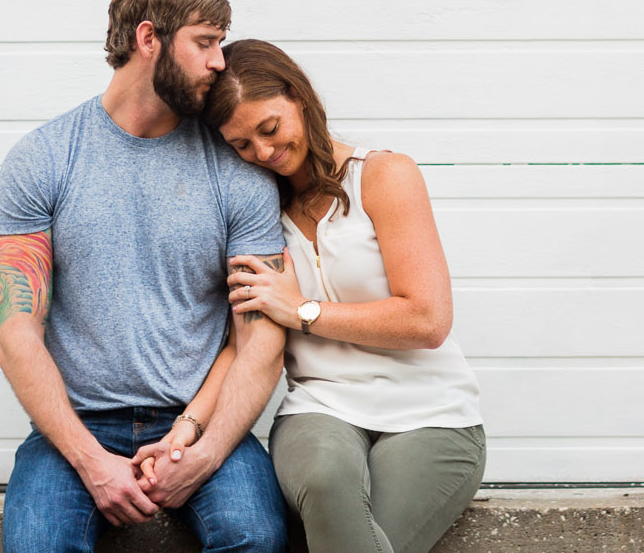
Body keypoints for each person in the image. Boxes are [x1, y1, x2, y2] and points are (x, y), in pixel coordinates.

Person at [0, 0, 289, 553]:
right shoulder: (44, 159)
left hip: (197, 415)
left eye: (221, 43)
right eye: (205, 42)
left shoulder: (237, 169)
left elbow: (258, 339)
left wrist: (200, 447)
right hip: (75, 426)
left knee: (254, 538)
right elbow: (16, 333)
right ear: (148, 39)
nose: (220, 62)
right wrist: (90, 460)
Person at [166, 39, 485, 553]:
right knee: (324, 478)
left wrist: (301, 311)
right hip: (321, 405)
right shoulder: (257, 215)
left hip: (433, 412)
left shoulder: (384, 176)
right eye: (242, 145)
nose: (264, 153)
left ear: (299, 97)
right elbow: (240, 346)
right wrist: (190, 425)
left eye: (269, 128)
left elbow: (427, 320)